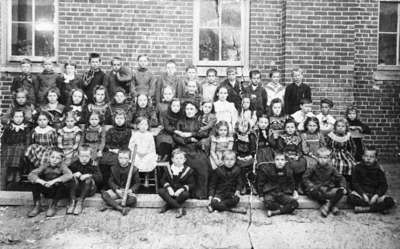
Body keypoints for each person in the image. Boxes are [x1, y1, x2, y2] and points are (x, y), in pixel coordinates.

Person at [173, 101, 211, 199]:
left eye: (191, 109)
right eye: (187, 109)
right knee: (183, 160)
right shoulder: (180, 121)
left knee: (202, 162)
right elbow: (176, 136)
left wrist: (191, 134)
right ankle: (184, 193)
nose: (189, 111)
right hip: (183, 147)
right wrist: (188, 140)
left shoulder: (199, 122)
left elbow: (204, 133)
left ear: (196, 111)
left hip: (196, 148)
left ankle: (200, 193)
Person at [27, 149, 73, 217]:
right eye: (52, 157)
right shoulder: (45, 165)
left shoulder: (62, 166)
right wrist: (42, 182)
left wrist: (53, 181)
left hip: (56, 191)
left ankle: (53, 206)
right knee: (34, 182)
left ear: (61, 159)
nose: (54, 160)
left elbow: (69, 175)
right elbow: (31, 175)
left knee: (63, 184)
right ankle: (37, 205)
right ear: (49, 157)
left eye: (58, 158)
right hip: (47, 188)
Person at [348, 147, 395, 214]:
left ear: (376, 159)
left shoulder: (379, 169)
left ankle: (366, 209)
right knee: (351, 198)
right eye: (366, 156)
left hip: (374, 195)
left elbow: (383, 185)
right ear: (362, 157)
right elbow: (355, 183)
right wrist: (363, 194)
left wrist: (376, 195)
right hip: (362, 194)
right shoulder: (357, 167)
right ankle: (378, 208)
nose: (368, 158)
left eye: (371, 157)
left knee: (389, 201)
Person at [303, 147, 347, 217]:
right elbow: (305, 178)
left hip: (328, 189)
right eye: (320, 157)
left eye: (325, 158)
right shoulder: (313, 167)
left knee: (341, 191)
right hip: (317, 189)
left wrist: (343, 186)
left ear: (328, 158)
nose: (322, 160)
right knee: (311, 192)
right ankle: (331, 206)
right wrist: (311, 185)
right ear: (317, 158)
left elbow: (341, 178)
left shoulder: (331, 168)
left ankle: (328, 205)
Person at [101, 149, 140, 216]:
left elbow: (137, 183)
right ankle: (121, 208)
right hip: (117, 190)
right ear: (118, 158)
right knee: (104, 194)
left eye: (125, 158)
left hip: (127, 192)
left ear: (129, 159)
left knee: (132, 200)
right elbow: (110, 181)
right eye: (120, 158)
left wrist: (131, 190)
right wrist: (116, 189)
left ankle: (110, 204)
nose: (123, 160)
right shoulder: (113, 168)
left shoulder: (134, 169)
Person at [99, 110, 132, 190]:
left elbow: (128, 144)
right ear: (114, 119)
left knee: (118, 160)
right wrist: (111, 149)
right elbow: (107, 143)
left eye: (121, 118)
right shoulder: (111, 130)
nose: (119, 120)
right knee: (103, 160)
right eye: (117, 118)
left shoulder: (128, 131)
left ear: (125, 120)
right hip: (110, 151)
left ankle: (116, 184)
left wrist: (120, 150)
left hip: (123, 151)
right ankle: (105, 184)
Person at [159, 148, 195, 218]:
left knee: (186, 194)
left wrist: (181, 189)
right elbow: (163, 180)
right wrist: (168, 188)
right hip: (170, 192)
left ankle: (168, 205)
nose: (178, 160)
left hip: (180, 193)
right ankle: (179, 208)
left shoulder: (188, 170)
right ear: (172, 159)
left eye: (181, 158)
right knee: (161, 191)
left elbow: (192, 184)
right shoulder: (168, 168)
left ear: (184, 160)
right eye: (176, 158)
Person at [68, 146, 103, 215]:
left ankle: (80, 203)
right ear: (78, 156)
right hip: (76, 190)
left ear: (90, 156)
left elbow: (100, 178)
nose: (84, 159)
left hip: (89, 190)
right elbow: (65, 175)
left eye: (87, 156)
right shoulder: (74, 164)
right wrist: (73, 174)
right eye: (82, 156)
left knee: (88, 179)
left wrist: (89, 175)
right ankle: (72, 202)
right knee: (72, 178)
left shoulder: (93, 164)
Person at [1, 110, 31, 189]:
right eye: (16, 117)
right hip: (9, 149)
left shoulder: (26, 128)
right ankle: (10, 177)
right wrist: (5, 149)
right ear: (12, 118)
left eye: (21, 116)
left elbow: (28, 141)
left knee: (18, 150)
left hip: (21, 149)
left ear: (23, 118)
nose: (18, 119)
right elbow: (4, 141)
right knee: (9, 152)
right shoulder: (8, 128)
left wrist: (26, 149)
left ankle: (17, 176)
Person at [325, 119, 356, 187]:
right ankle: (334, 182)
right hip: (333, 153)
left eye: (343, 126)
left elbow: (352, 147)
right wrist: (328, 154)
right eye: (338, 126)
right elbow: (327, 146)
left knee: (350, 164)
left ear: (346, 128)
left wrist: (351, 155)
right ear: (335, 127)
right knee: (333, 164)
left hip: (344, 154)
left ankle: (347, 182)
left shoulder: (348, 136)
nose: (340, 128)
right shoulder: (331, 135)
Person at [129, 117, 157, 186]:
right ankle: (136, 179)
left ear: (148, 126)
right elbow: (131, 145)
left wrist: (145, 153)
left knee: (148, 160)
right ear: (138, 126)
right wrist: (137, 152)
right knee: (135, 159)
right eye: (141, 124)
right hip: (137, 153)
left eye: (145, 125)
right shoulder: (135, 134)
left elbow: (152, 146)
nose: (143, 126)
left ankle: (146, 177)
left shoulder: (149, 135)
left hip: (147, 153)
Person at [233, 120, 256, 195]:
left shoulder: (251, 136)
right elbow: (235, 148)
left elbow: (253, 147)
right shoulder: (235, 136)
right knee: (241, 168)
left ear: (248, 127)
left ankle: (251, 185)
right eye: (241, 126)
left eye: (245, 126)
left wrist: (250, 156)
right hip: (239, 156)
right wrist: (238, 156)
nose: (243, 128)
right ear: (237, 126)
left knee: (252, 167)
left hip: (248, 156)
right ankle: (243, 185)